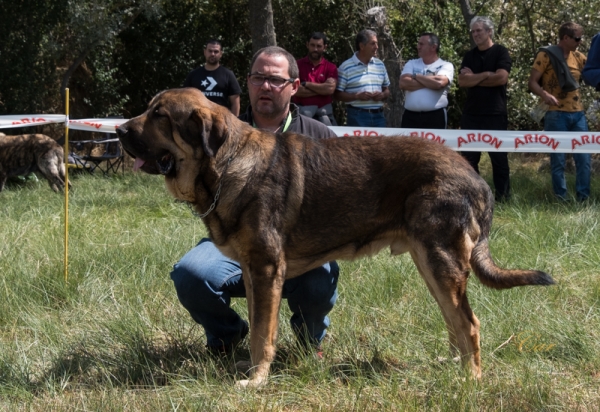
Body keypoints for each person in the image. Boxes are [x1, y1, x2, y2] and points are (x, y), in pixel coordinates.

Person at [171, 46, 340, 356]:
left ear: (294, 86)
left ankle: (309, 343)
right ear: (247, 82)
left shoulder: (320, 136)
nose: (265, 86)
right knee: (191, 274)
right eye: (258, 77)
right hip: (235, 243)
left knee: (320, 277)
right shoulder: (223, 134)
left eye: (275, 80)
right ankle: (228, 337)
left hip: (304, 246)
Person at [527, 22, 590, 202]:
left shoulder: (579, 57)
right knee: (558, 160)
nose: (580, 41)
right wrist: (544, 94)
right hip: (555, 114)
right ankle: (560, 200)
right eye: (577, 38)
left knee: (584, 159)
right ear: (566, 38)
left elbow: (592, 73)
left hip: (578, 114)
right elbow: (532, 82)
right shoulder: (545, 54)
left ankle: (583, 199)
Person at [458, 16, 512, 202]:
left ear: (489, 31)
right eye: (473, 31)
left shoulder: (500, 52)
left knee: (499, 159)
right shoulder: (469, 55)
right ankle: (474, 198)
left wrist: (475, 77)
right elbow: (463, 81)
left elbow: (501, 79)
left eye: (479, 30)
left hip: (495, 113)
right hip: (471, 114)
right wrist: (487, 74)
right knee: (469, 159)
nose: (475, 34)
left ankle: (503, 197)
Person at [335, 29, 390, 127]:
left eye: (376, 43)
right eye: (372, 44)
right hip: (358, 115)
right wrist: (356, 96)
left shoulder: (380, 64)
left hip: (379, 115)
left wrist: (382, 95)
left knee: (380, 143)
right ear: (362, 46)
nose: (376, 47)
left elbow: (387, 90)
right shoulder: (346, 67)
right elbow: (337, 95)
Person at [399, 32, 454, 129]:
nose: (418, 47)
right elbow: (403, 83)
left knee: (434, 145)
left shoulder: (446, 65)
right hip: (410, 117)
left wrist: (416, 76)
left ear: (433, 47)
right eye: (418, 43)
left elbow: (439, 83)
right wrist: (430, 79)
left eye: (421, 44)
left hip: (435, 117)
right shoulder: (411, 63)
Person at [183, 39, 241, 116]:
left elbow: (235, 103)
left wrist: (233, 125)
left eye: (216, 51)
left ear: (221, 54)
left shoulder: (228, 75)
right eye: (210, 51)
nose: (213, 54)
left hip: (221, 123)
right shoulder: (193, 75)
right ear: (205, 52)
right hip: (198, 123)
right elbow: (185, 100)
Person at [292, 32, 338, 125]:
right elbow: (296, 90)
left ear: (325, 47)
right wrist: (322, 90)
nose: (315, 49)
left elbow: (329, 89)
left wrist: (306, 84)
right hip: (302, 116)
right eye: (312, 45)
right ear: (307, 45)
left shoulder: (331, 67)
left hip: (325, 117)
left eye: (319, 46)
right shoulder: (297, 65)